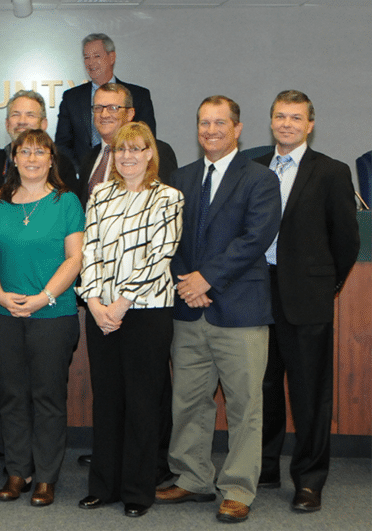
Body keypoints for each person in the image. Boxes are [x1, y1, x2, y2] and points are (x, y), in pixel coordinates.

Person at [157, 96, 281, 524]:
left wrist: (205, 279)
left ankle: (238, 489)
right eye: (204, 123)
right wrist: (187, 282)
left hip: (240, 311)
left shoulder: (260, 178)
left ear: (238, 129)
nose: (211, 130)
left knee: (245, 406)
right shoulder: (181, 178)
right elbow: (167, 237)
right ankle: (192, 478)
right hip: (189, 309)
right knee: (189, 401)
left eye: (219, 123)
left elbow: (255, 237)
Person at [255, 90, 360, 512]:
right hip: (257, 292)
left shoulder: (331, 171)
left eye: (296, 118)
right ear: (271, 121)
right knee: (261, 387)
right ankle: (264, 467)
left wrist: (325, 285)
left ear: (310, 125)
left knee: (309, 393)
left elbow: (346, 240)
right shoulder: (254, 167)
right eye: (281, 116)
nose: (287, 124)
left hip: (306, 296)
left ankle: (310, 481)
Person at [75, 122, 183, 518]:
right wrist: (93, 301)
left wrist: (121, 304)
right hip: (101, 313)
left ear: (150, 154)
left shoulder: (168, 197)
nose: (128, 156)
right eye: (122, 149)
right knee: (107, 401)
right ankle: (104, 486)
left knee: (142, 402)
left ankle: (138, 489)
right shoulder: (100, 194)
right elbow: (90, 251)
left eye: (137, 149)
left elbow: (160, 256)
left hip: (146, 313)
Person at [0, 90, 80, 467]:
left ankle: (46, 476)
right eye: (24, 152)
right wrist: (0, 296)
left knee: (47, 397)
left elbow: (75, 259)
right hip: (3, 312)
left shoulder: (67, 201)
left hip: (52, 313)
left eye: (39, 152)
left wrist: (42, 298)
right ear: (13, 158)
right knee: (11, 395)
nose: (32, 159)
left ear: (51, 158)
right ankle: (17, 470)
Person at [56, 33, 156, 169]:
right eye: (86, 57)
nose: (90, 62)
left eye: (97, 56)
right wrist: (82, 173)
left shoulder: (139, 96)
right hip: (83, 176)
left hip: (127, 171)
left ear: (112, 57)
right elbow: (62, 145)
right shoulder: (71, 97)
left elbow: (147, 140)